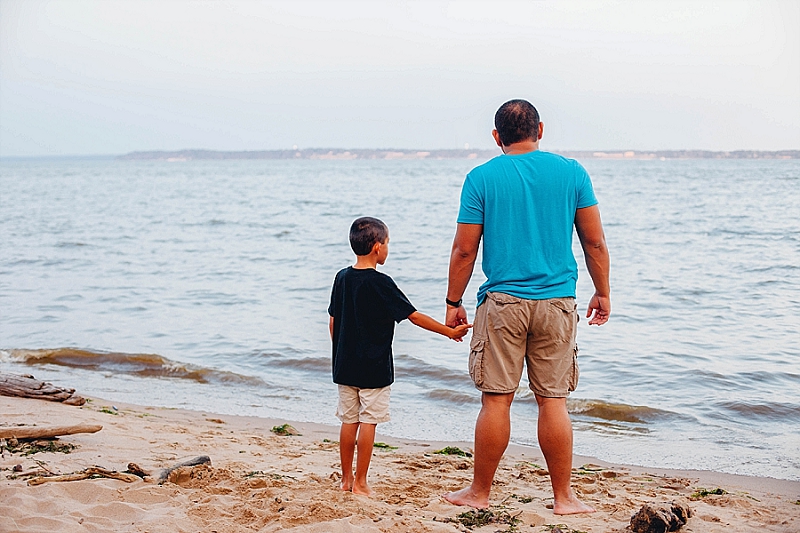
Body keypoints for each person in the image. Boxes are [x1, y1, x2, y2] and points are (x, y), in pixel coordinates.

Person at [442, 99, 611, 515]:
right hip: (557, 303)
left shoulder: (481, 177)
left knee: (496, 400)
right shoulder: (572, 173)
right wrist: (602, 291)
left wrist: (452, 302)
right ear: (541, 129)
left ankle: (479, 493)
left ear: (496, 137)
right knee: (552, 401)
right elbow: (594, 242)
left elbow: (465, 250)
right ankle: (564, 498)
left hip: (502, 304)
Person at [329, 216, 472, 496]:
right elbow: (413, 316)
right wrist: (449, 332)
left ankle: (345, 480)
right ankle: (360, 482)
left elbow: (333, 321)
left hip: (344, 366)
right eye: (387, 243)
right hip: (374, 368)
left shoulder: (342, 277)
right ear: (377, 248)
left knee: (349, 421)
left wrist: (339, 353)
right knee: (369, 421)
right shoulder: (381, 283)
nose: (388, 248)